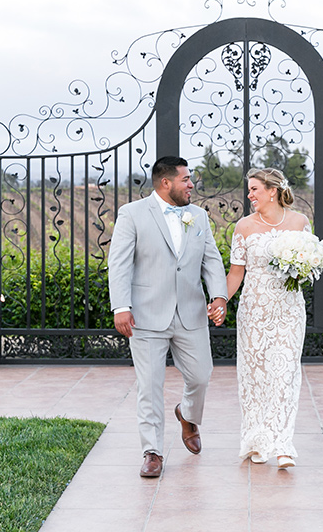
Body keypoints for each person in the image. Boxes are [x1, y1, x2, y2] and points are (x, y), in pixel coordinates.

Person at [108, 156, 228, 478]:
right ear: (166, 183)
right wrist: (121, 306)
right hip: (145, 315)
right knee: (150, 385)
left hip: (191, 312)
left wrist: (219, 296)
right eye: (186, 179)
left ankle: (187, 413)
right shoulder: (131, 214)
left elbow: (212, 261)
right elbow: (119, 263)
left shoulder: (199, 216)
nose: (192, 185)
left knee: (201, 375)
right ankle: (153, 451)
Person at [225, 167, 312, 469]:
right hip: (254, 310)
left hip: (289, 309)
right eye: (249, 190)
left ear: (272, 191)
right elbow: (236, 274)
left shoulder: (300, 222)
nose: (249, 196)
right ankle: (257, 440)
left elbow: (309, 265)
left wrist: (301, 268)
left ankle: (283, 444)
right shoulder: (244, 227)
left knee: (286, 373)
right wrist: (220, 301)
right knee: (255, 374)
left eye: (254, 190)